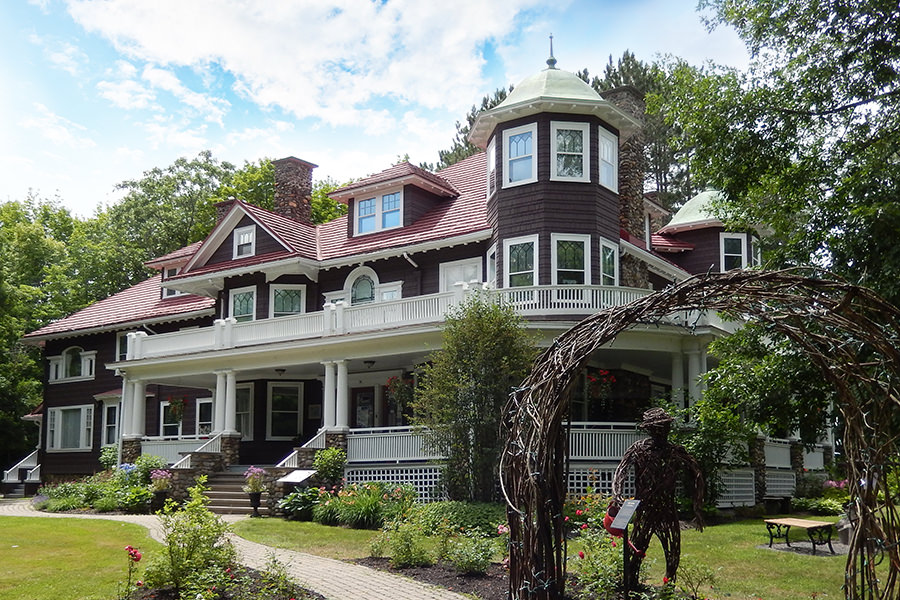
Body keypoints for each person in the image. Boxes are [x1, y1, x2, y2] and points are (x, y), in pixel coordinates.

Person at [610, 407, 704, 586]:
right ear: (649, 429)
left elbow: (697, 474)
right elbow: (620, 472)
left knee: (672, 555)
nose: (661, 431)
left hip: (667, 511)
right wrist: (617, 495)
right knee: (636, 550)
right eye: (657, 427)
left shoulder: (675, 451)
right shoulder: (639, 449)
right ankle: (631, 584)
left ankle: (668, 588)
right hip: (644, 509)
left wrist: (697, 506)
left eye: (664, 426)